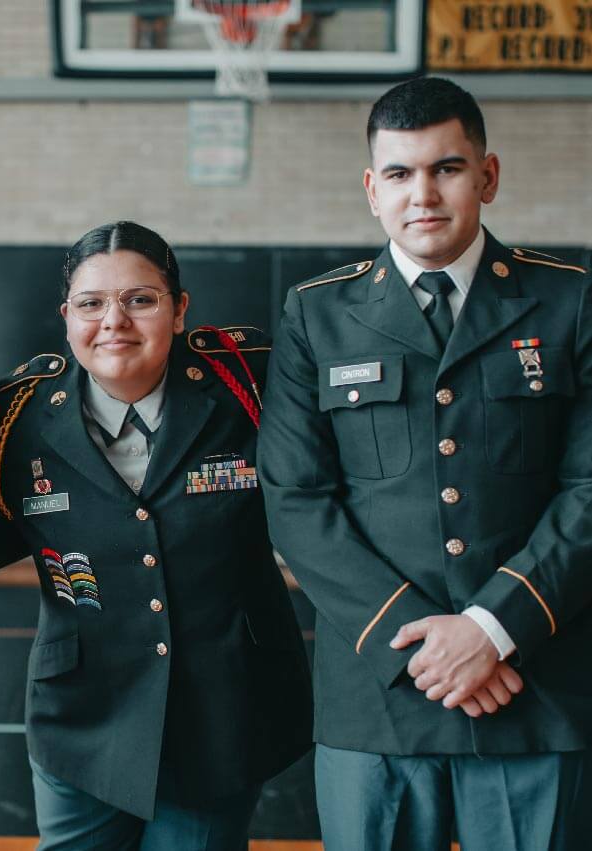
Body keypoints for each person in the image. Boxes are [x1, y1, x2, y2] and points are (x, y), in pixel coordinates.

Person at [257, 76, 592, 850]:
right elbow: (295, 498)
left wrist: (490, 627)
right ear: (372, 190)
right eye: (401, 174)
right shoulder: (316, 314)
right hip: (379, 695)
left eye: (446, 168)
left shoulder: (568, 302)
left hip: (531, 685)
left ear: (487, 176)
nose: (424, 194)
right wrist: (426, 644)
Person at [0, 221, 312, 850]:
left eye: (140, 299)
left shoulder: (247, 381)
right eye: (91, 303)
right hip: (82, 714)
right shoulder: (17, 412)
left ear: (179, 308)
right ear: (66, 315)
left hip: (220, 712)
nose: (114, 321)